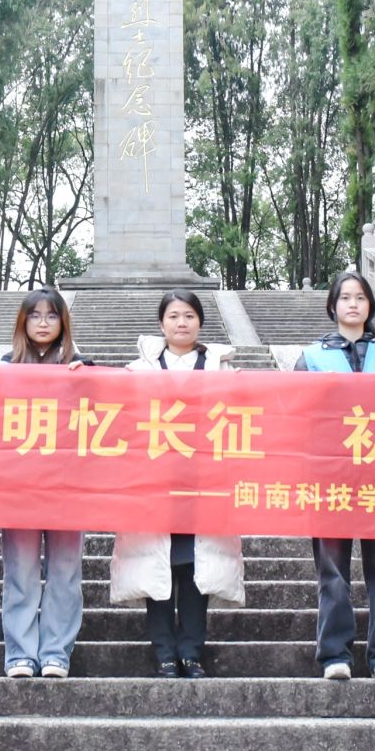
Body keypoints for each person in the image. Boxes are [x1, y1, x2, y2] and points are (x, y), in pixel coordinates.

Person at [109, 290, 246, 678]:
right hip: (154, 485)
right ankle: (164, 652)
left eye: (188, 315)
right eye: (173, 316)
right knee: (158, 569)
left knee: (196, 569)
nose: (181, 323)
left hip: (205, 484)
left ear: (200, 322)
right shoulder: (137, 372)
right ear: (161, 324)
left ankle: (191, 651)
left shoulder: (224, 371)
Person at [297, 272, 375, 681]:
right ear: (333, 306)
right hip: (329, 479)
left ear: (370, 306)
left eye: (360, 297)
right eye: (345, 297)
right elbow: (290, 410)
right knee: (333, 571)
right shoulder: (311, 358)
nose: (353, 304)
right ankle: (334, 654)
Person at [0, 289, 92, 678]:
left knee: (65, 572)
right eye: (34, 315)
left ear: (63, 323)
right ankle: (20, 652)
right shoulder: (4, 368)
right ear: (23, 322)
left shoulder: (83, 369)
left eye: (51, 316)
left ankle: (56, 651)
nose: (42, 323)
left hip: (69, 486)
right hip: (18, 486)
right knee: (19, 570)